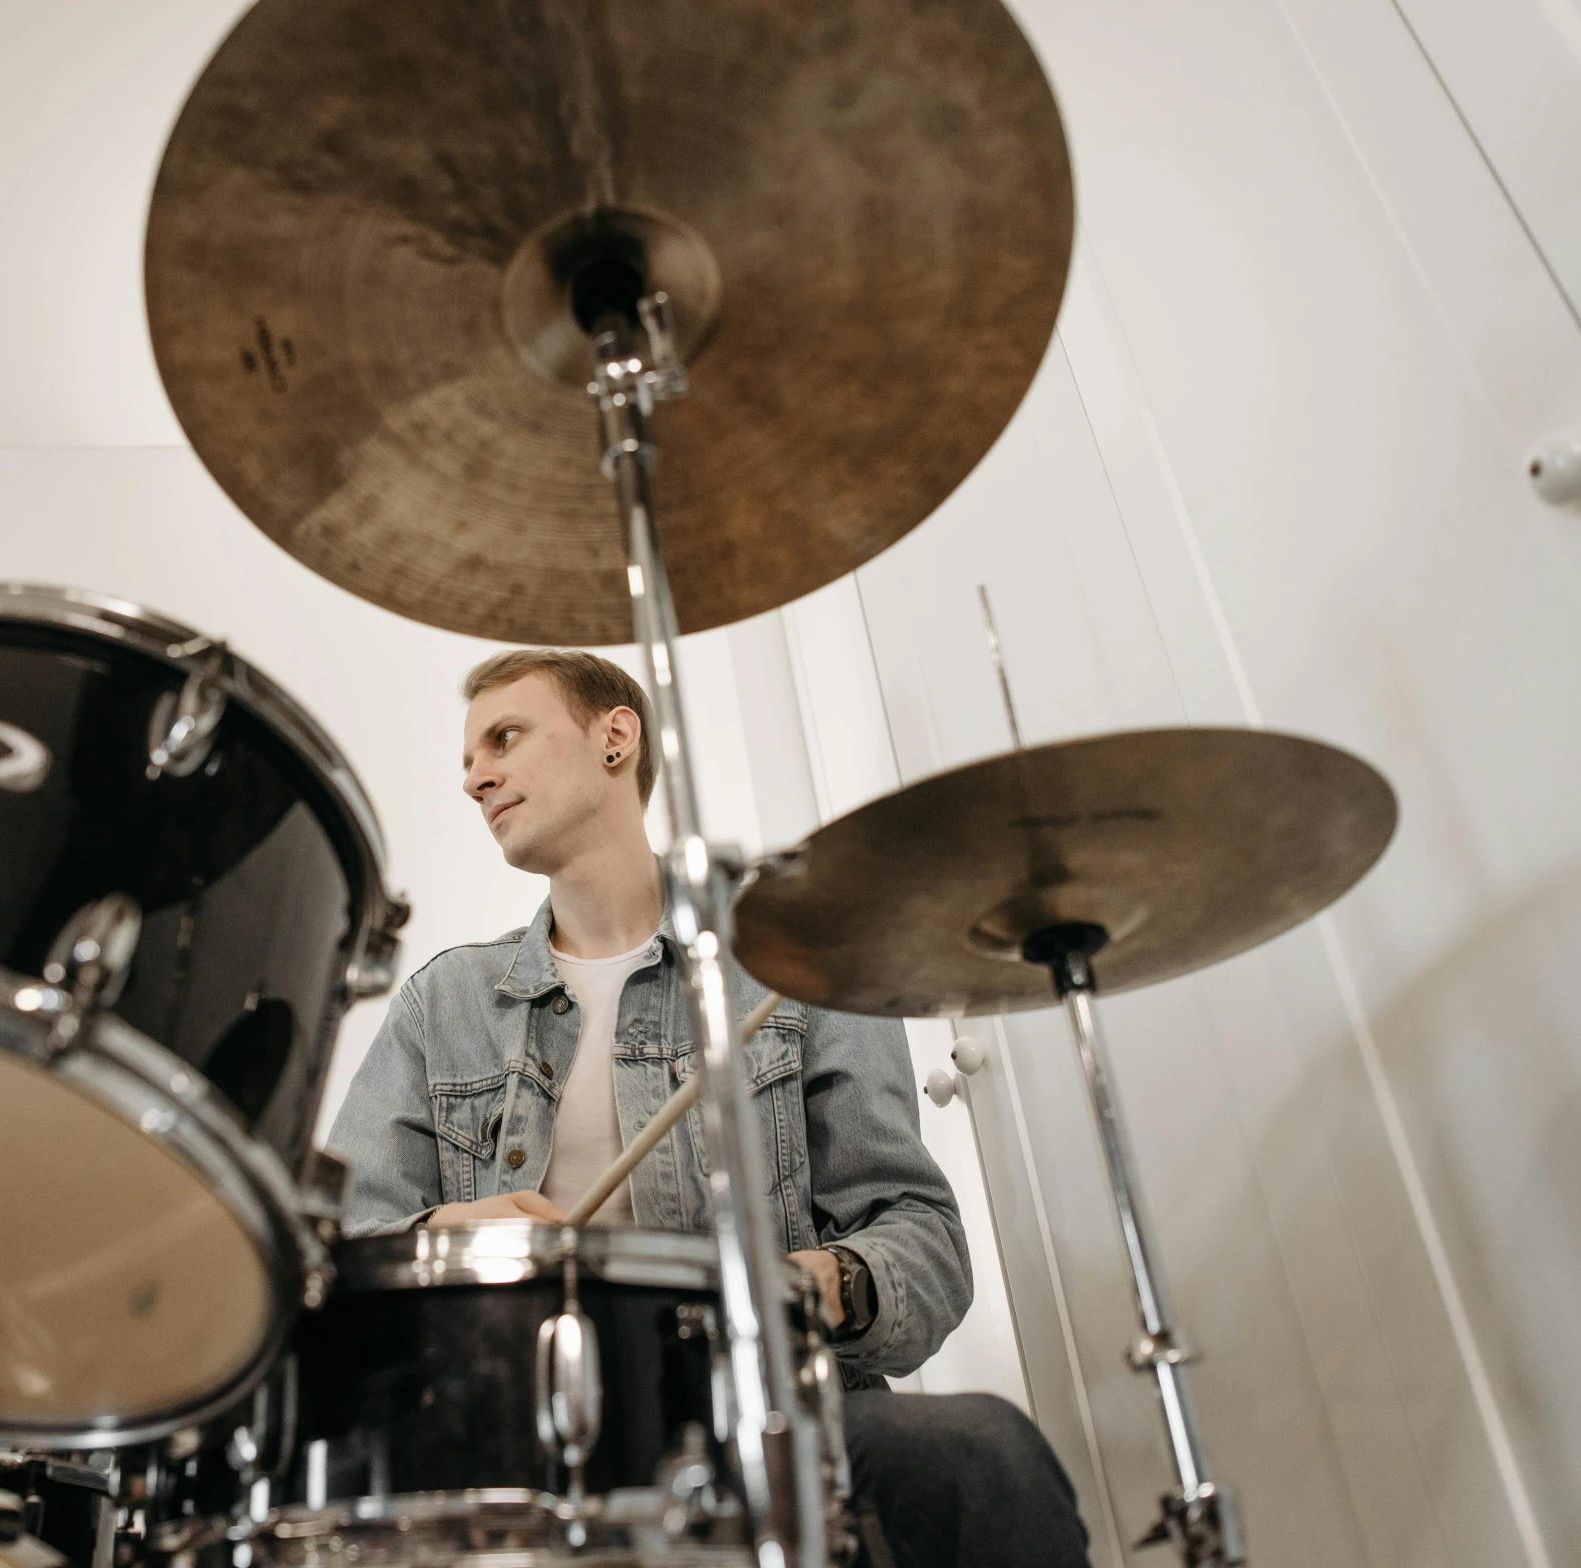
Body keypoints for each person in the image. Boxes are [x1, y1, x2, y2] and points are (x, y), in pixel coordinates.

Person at [328, 648, 1089, 1568]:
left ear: (616, 737)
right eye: (466, 759)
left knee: (976, 1453)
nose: (475, 776)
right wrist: (452, 1226)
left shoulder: (789, 964)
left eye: (504, 737)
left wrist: (815, 1286)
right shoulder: (441, 1005)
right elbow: (331, 1256)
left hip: (776, 1417)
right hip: (512, 1454)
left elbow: (919, 1235)